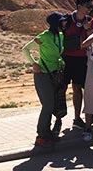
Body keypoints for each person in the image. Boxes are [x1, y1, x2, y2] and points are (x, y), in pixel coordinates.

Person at [22, 12, 68, 148]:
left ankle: (48, 133)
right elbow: (26, 49)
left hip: (55, 74)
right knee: (48, 105)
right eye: (62, 21)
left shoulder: (60, 35)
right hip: (43, 74)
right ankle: (41, 136)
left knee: (53, 104)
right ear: (56, 23)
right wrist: (33, 63)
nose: (65, 23)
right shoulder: (44, 36)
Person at [62, 0, 93, 130]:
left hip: (81, 58)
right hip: (65, 57)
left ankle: (77, 118)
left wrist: (87, 29)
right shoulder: (66, 19)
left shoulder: (90, 21)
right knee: (61, 89)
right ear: (79, 6)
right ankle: (58, 118)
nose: (90, 9)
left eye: (91, 6)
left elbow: (91, 39)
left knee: (77, 88)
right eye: (88, 6)